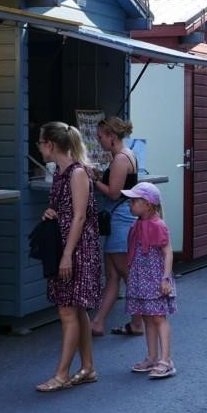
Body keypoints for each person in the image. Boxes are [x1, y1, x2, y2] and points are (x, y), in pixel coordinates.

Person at [35, 121, 102, 391]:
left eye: (41, 143)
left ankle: (62, 374)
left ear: (50, 145)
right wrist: (50, 212)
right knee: (77, 308)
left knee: (67, 311)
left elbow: (80, 215)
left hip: (76, 248)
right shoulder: (62, 172)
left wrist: (66, 255)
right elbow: (65, 209)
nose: (39, 148)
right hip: (69, 245)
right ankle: (87, 367)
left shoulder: (76, 173)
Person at [89, 117, 142, 337]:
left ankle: (138, 323)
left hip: (120, 220)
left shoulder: (120, 159)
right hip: (121, 218)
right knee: (112, 275)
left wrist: (93, 180)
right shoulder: (127, 155)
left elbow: (113, 192)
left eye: (100, 137)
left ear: (112, 136)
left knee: (126, 274)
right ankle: (98, 322)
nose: (98, 141)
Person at [120, 182, 177, 379]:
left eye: (134, 201)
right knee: (147, 316)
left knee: (158, 317)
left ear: (148, 205)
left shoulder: (157, 225)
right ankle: (152, 357)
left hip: (155, 277)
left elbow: (167, 251)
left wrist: (166, 278)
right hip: (141, 276)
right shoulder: (138, 224)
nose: (130, 204)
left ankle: (166, 360)